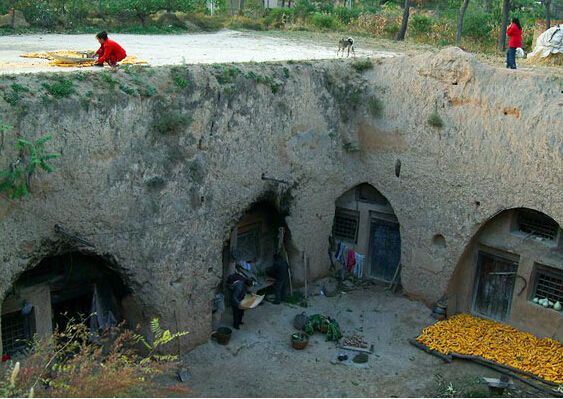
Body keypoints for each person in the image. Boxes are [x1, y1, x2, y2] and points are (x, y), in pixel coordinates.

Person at [226, 263, 253, 330]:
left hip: (240, 299)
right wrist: (239, 304)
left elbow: (246, 290)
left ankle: (239, 321)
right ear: (247, 285)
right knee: (236, 313)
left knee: (241, 312)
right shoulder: (239, 288)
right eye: (250, 287)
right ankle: (236, 325)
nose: (250, 288)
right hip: (235, 301)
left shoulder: (244, 284)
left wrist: (250, 293)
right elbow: (234, 297)